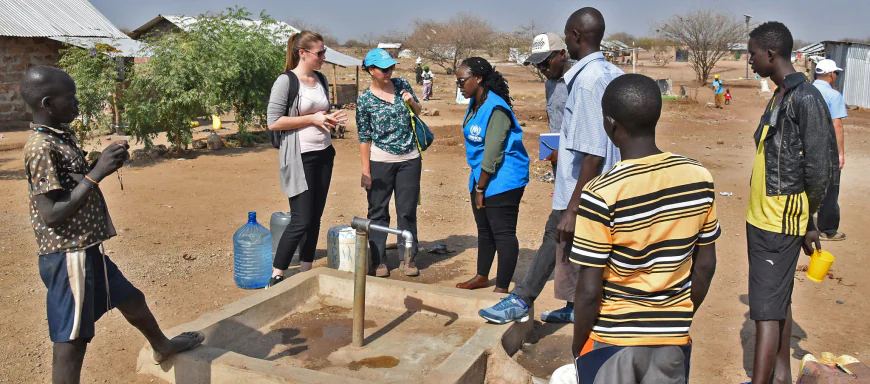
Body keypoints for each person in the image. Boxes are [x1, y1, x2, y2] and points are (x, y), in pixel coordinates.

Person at [20, 66, 204, 384]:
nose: (77, 104)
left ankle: (161, 346)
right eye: (71, 98)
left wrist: (97, 162)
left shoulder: (60, 136)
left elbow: (69, 181)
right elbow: (51, 213)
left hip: (87, 249)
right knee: (72, 340)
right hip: (68, 256)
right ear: (48, 104)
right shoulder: (40, 149)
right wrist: (97, 173)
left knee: (131, 299)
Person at [569, 73, 720, 384]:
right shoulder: (698, 177)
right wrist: (676, 318)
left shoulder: (601, 193)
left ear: (610, 124)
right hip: (671, 343)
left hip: (613, 343)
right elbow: (705, 265)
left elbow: (588, 290)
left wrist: (577, 346)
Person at [745, 21, 836, 384]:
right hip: (763, 217)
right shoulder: (780, 93)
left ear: (770, 53)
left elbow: (819, 168)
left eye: (752, 53)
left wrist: (807, 219)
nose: (749, 60)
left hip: (778, 220)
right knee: (777, 303)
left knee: (765, 313)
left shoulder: (806, 98)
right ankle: (781, 377)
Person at [477, 32, 578, 324]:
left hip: (581, 173)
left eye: (545, 62)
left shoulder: (579, 84)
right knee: (571, 239)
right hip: (563, 173)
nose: (542, 69)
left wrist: (566, 155)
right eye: (536, 64)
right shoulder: (550, 84)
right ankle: (573, 304)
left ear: (562, 54)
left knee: (555, 232)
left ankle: (522, 298)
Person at [266, 31, 347, 287]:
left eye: (324, 52)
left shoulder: (320, 78)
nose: (324, 57)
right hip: (300, 156)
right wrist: (312, 119)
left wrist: (329, 119)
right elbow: (274, 122)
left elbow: (321, 112)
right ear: (303, 53)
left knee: (315, 217)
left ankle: (306, 270)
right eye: (320, 53)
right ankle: (277, 275)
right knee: (301, 218)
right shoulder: (286, 81)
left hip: (324, 152)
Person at [454, 57, 530, 294]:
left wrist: (481, 188)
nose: (459, 85)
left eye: (462, 81)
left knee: (503, 233)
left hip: (503, 178)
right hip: (482, 175)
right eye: (457, 81)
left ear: (478, 79)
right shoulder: (476, 102)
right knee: (484, 229)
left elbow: (494, 150)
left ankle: (502, 287)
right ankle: (481, 276)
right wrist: (478, 183)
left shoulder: (496, 108)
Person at [356, 48, 423, 277]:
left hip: (409, 159)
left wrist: (411, 101)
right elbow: (364, 137)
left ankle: (408, 259)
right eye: (384, 69)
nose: (389, 71)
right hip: (380, 160)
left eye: (391, 67)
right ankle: (379, 261)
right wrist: (366, 171)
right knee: (378, 211)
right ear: (371, 70)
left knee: (407, 210)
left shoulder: (402, 84)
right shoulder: (364, 99)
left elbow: (418, 112)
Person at [812, 59, 847, 241]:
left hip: (804, 148)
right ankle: (827, 230)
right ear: (831, 74)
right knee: (830, 189)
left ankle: (801, 225)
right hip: (826, 150)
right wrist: (840, 153)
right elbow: (837, 125)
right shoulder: (833, 95)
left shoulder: (805, 91)